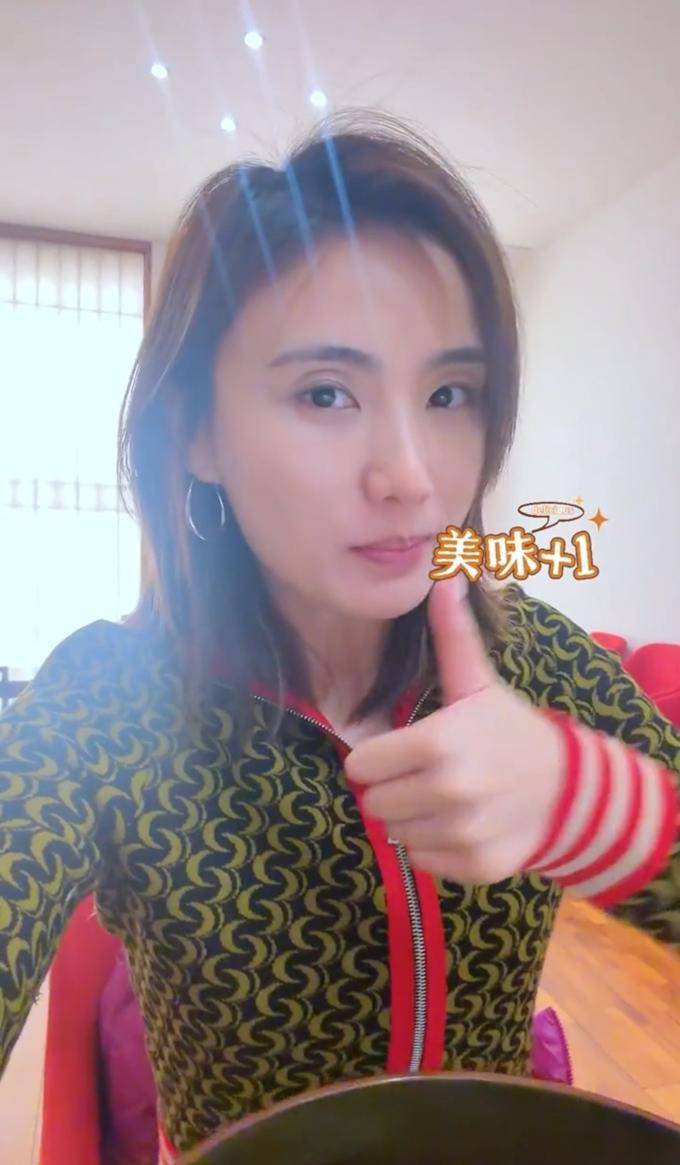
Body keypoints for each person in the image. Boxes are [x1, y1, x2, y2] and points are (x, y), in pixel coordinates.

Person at [1, 109, 678, 1162]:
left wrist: (580, 799)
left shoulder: (533, 660)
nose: (410, 475)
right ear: (197, 430)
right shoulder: (114, 698)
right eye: (326, 392)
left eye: (448, 393)